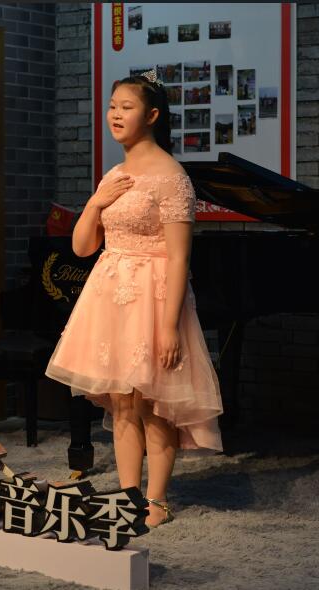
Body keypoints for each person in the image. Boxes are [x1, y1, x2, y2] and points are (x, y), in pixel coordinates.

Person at [44, 67, 224, 528]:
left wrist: (169, 326)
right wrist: (96, 201)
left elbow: (179, 257)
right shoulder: (115, 174)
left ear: (153, 115)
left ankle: (157, 501)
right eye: (112, 107)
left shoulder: (172, 176)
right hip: (110, 296)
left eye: (126, 107)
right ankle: (128, 496)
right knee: (123, 400)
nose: (115, 115)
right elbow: (82, 247)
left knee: (154, 403)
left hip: (153, 296)